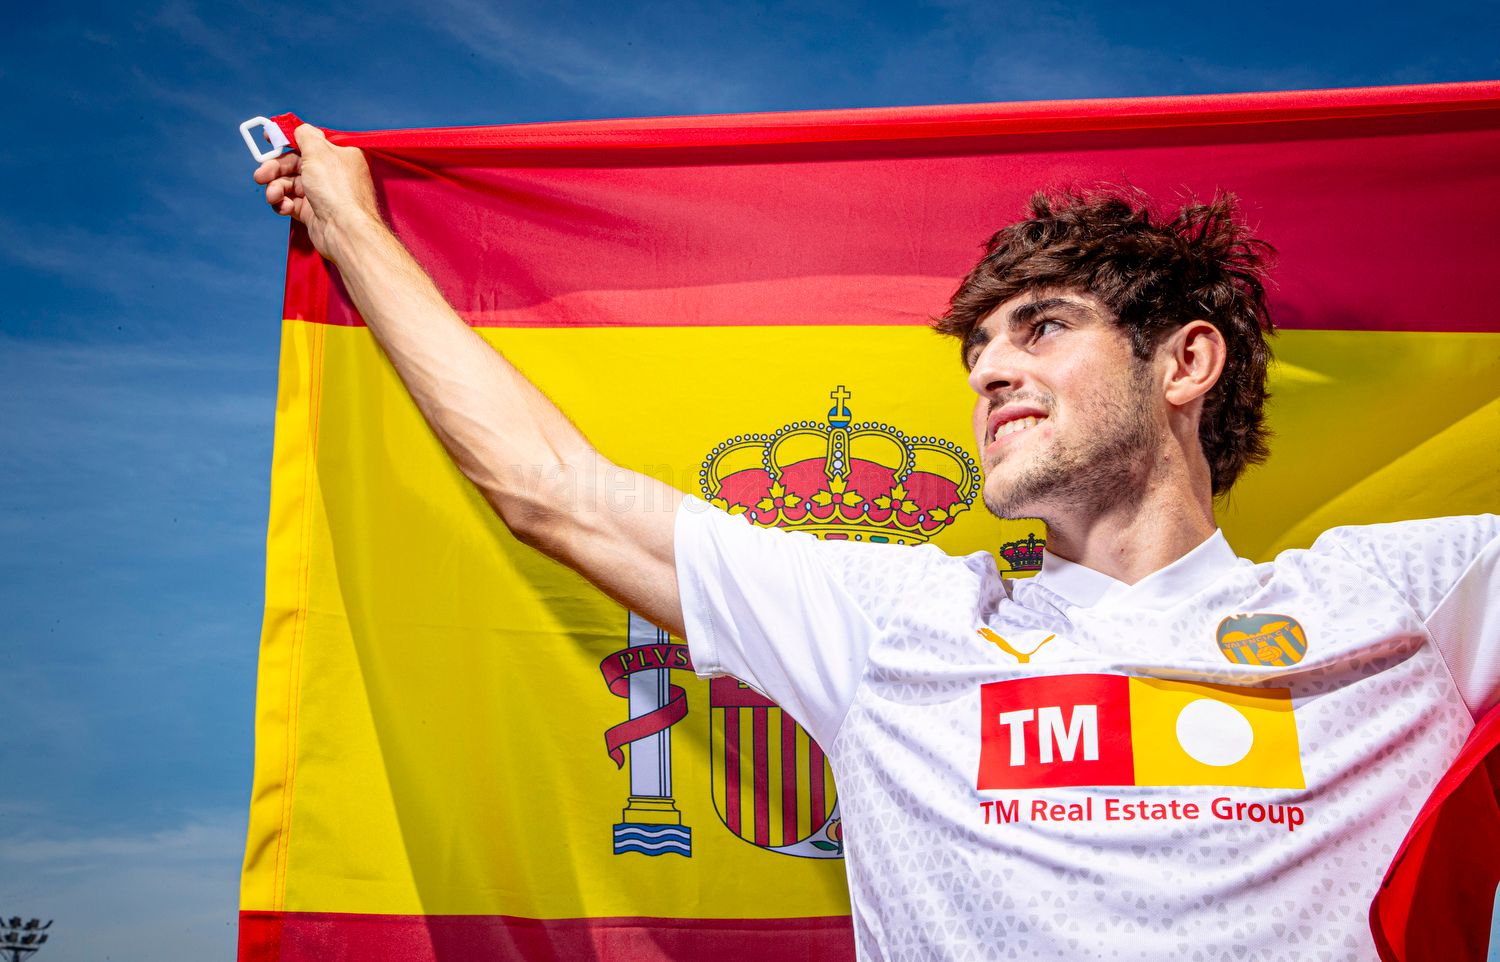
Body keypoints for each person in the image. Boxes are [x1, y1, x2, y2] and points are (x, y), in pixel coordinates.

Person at [256, 125, 1497, 961]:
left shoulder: (1402, 599)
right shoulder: (899, 617)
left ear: (1184, 362)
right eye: (978, 352)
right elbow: (553, 488)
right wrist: (353, 227)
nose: (991, 372)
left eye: (1041, 328)